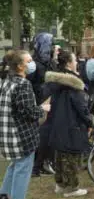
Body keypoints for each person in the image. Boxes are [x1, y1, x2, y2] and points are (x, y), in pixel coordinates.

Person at [0, 50, 50, 199]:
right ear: (21, 66)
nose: (32, 63)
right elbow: (27, 111)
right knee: (23, 165)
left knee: (16, 163)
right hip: (21, 133)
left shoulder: (7, 81)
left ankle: (4, 193)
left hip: (8, 131)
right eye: (29, 61)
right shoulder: (23, 84)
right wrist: (43, 108)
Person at [45, 50, 93, 198]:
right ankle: (72, 187)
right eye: (74, 60)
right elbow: (81, 105)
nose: (77, 62)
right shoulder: (73, 82)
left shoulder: (56, 80)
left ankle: (60, 184)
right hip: (73, 123)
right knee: (72, 155)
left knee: (60, 153)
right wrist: (89, 120)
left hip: (58, 122)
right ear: (68, 63)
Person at [30, 33, 58, 177]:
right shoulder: (34, 64)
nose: (53, 47)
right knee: (41, 135)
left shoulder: (51, 63)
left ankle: (45, 162)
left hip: (51, 100)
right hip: (40, 102)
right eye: (50, 44)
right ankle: (36, 166)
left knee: (48, 135)